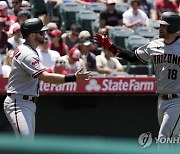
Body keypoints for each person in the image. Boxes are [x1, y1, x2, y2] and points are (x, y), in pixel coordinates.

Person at [94, 12, 180, 145]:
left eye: (164, 25)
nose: (160, 28)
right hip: (161, 100)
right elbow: (132, 57)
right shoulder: (154, 45)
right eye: (160, 25)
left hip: (177, 101)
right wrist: (111, 46)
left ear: (173, 27)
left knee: (164, 138)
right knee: (174, 140)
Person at [3, 18, 91, 138]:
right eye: (41, 32)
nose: (44, 35)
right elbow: (46, 77)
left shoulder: (30, 50)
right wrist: (73, 78)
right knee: (26, 146)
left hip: (26, 102)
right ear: (32, 35)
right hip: (18, 103)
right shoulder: (27, 53)